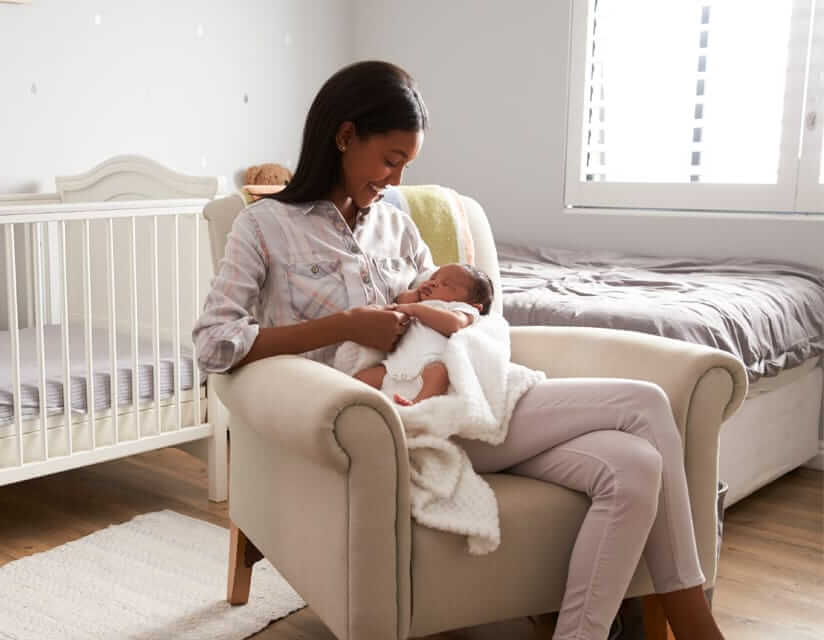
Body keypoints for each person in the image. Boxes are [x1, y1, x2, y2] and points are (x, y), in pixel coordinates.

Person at [192, 60, 726, 640]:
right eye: (390, 159)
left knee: (635, 465)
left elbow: (459, 319)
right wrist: (343, 325)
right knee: (644, 404)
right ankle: (697, 625)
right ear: (345, 136)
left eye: (407, 165)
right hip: (396, 422)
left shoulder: (396, 228)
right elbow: (216, 343)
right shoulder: (265, 227)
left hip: (466, 399)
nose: (396, 181)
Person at [348, 263, 494, 406]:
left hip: (428, 368)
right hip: (393, 368)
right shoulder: (420, 302)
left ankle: (416, 406)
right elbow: (399, 301)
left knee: (439, 374)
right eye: (432, 279)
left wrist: (415, 309)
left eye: (446, 284)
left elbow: (454, 324)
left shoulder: (461, 310)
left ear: (474, 306)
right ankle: (354, 402)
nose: (433, 283)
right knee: (360, 379)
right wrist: (416, 294)